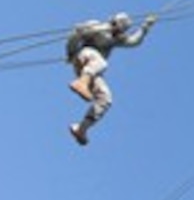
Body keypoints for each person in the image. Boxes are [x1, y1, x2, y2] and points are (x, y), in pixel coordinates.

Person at [65, 11, 157, 146]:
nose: (116, 32)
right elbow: (75, 34)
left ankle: (81, 129)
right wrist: (70, 52)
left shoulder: (116, 39)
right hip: (84, 55)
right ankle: (82, 83)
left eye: (120, 30)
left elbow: (133, 42)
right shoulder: (98, 26)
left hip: (91, 70)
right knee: (101, 62)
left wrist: (145, 27)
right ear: (113, 22)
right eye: (116, 26)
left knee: (106, 98)